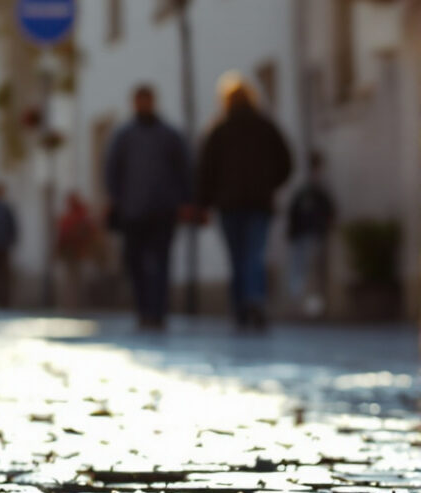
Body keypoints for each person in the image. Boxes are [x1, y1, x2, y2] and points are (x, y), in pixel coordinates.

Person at [194, 72, 294, 331]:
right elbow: (286, 163)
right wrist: (269, 184)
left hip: (229, 204)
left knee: (237, 257)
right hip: (258, 201)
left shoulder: (219, 129)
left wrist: (205, 203)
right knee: (254, 254)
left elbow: (206, 170)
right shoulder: (265, 126)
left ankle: (241, 307)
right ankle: (254, 300)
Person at [105, 83, 192, 331]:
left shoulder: (169, 135)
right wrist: (117, 199)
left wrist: (184, 200)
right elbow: (112, 170)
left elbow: (184, 169)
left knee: (161, 262)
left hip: (163, 210)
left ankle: (159, 310)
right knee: (135, 263)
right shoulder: (124, 136)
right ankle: (143, 309)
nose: (144, 105)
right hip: (132, 211)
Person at [286, 151, 338, 316]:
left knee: (311, 270)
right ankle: (299, 304)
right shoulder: (304, 188)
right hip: (303, 233)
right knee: (300, 269)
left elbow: (329, 209)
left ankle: (312, 306)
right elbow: (294, 210)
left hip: (314, 233)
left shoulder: (320, 188)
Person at [55, 190, 101, 311]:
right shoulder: (74, 216)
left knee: (75, 279)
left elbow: (65, 234)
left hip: (77, 250)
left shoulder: (79, 216)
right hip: (73, 251)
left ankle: (74, 305)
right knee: (72, 279)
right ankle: (72, 304)